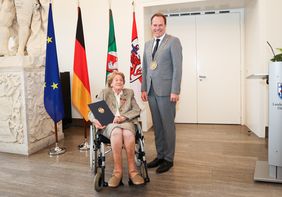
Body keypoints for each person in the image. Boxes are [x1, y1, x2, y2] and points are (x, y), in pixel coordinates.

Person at [141, 13, 182, 173]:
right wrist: (144, 88)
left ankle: (169, 159)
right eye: (154, 25)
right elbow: (145, 67)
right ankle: (160, 155)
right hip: (151, 91)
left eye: (160, 25)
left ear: (165, 25)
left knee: (167, 125)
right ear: (151, 26)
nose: (157, 28)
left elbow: (178, 68)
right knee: (157, 126)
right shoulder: (147, 44)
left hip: (167, 92)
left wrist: (175, 90)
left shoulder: (173, 41)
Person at [91, 71, 144, 188]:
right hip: (110, 123)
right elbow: (93, 111)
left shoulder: (129, 93)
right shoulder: (104, 93)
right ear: (111, 83)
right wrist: (95, 120)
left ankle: (133, 172)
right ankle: (117, 172)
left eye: (121, 80)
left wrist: (123, 117)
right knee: (116, 133)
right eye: (116, 80)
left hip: (126, 122)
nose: (119, 81)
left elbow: (136, 110)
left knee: (128, 134)